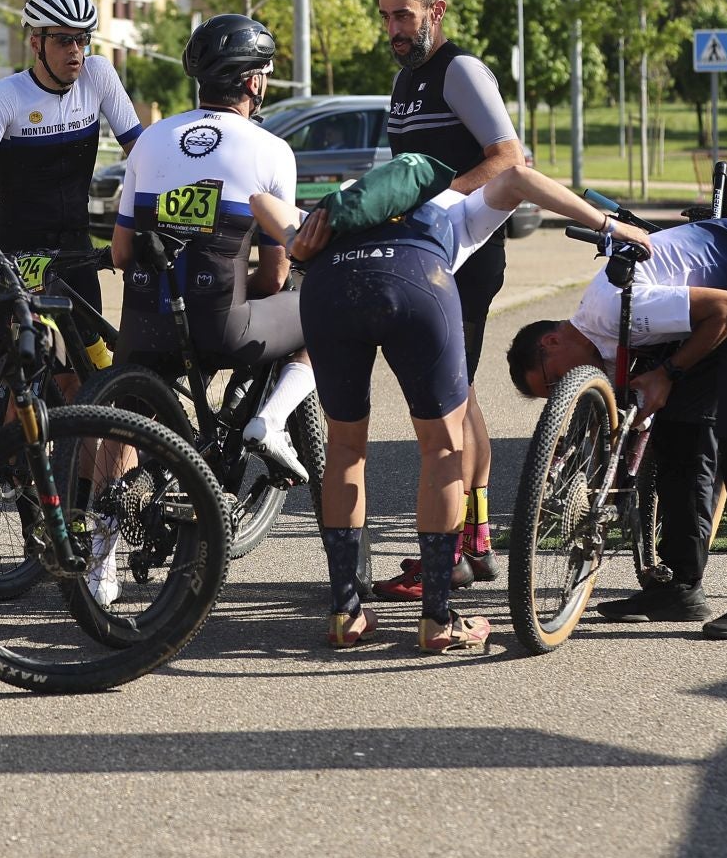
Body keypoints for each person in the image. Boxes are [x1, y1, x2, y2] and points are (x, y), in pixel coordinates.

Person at [249, 157, 646, 652]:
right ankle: (437, 620)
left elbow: (260, 200)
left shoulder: (344, 206)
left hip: (331, 290)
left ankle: (345, 614)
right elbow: (520, 178)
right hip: (416, 282)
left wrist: (293, 241)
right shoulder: (456, 206)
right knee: (442, 449)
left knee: (346, 449)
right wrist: (611, 225)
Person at [507, 217, 727, 639]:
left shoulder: (613, 311)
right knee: (680, 434)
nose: (563, 388)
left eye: (554, 381)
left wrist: (667, 373)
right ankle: (680, 588)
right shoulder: (603, 339)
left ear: (551, 342)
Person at [103, 14, 317, 597]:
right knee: (318, 310)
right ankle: (270, 422)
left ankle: (99, 555)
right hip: (222, 327)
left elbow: (122, 253)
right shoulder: (271, 151)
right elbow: (275, 276)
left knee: (124, 410)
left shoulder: (150, 139)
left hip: (146, 327)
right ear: (253, 83)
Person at [373, 0, 526, 601]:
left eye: (403, 16)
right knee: (457, 394)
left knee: (445, 403)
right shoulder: (406, 78)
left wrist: (442, 198)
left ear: (436, 12)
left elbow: (510, 156)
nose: (393, 30)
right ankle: (478, 540)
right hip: (428, 250)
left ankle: (454, 552)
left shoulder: (460, 70)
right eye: (385, 17)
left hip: (464, 251)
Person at [0, 0, 142, 314]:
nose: (75, 51)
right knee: (17, 356)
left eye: (82, 39)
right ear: (36, 43)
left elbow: (140, 152)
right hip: (17, 251)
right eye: (63, 40)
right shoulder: (4, 96)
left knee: (85, 360)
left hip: (75, 246)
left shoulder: (98, 75)